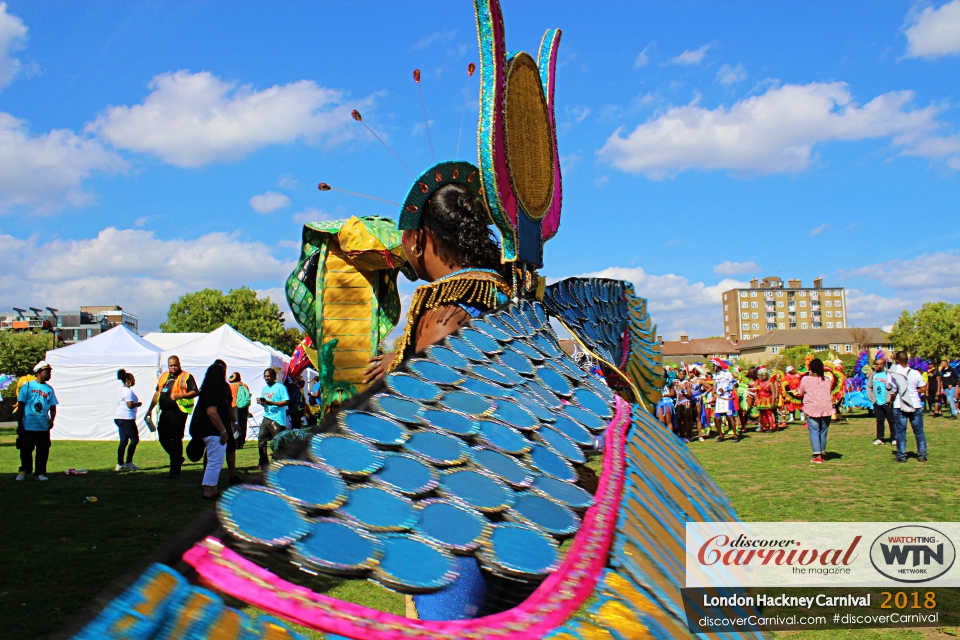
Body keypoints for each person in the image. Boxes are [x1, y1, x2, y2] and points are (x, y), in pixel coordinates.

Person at [363, 177, 511, 381]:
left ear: (418, 238)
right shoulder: (496, 291)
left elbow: (428, 405)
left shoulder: (444, 317)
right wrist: (403, 360)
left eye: (404, 235)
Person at [146, 356, 199, 479]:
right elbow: (157, 394)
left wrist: (181, 395)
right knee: (162, 437)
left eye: (175, 365)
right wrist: (150, 409)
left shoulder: (186, 377)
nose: (173, 368)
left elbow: (195, 392)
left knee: (176, 439)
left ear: (179, 364)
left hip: (179, 411)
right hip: (165, 412)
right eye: (171, 366)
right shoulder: (164, 376)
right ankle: (177, 458)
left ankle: (174, 470)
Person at [189, 361, 233, 499]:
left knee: (213, 461)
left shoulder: (207, 390)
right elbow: (212, 412)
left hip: (208, 431)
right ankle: (208, 491)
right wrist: (223, 431)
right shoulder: (214, 391)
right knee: (215, 462)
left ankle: (212, 490)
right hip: (213, 432)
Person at [16, 361, 58, 481]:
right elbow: (21, 406)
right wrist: (20, 424)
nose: (49, 374)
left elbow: (53, 406)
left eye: (49, 372)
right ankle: (24, 470)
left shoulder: (49, 389)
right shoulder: (27, 387)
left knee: (43, 450)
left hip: (42, 426)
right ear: (39, 373)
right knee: (25, 449)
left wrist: (52, 419)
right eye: (47, 372)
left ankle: (40, 473)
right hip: (28, 425)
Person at [888, 351, 928, 463]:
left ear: (896, 361)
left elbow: (891, 389)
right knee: (919, 432)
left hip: (899, 404)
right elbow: (924, 389)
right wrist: (914, 391)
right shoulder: (915, 373)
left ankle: (901, 456)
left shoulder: (893, 374)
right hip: (915, 404)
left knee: (901, 432)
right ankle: (922, 455)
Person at [794, 357, 834, 464]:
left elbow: (800, 392)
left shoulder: (806, 379)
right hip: (826, 408)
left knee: (814, 431)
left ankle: (818, 455)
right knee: (823, 431)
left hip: (812, 408)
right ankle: (821, 450)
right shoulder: (827, 380)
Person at [257, 368, 289, 470]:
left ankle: (282, 463)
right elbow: (265, 403)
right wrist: (262, 402)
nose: (266, 378)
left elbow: (286, 402)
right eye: (265, 376)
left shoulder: (280, 387)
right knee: (261, 440)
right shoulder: (264, 389)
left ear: (274, 377)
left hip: (277, 419)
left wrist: (271, 403)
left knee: (278, 442)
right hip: (267, 417)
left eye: (268, 376)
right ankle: (263, 463)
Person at [114, 369, 142, 471]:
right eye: (132, 379)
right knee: (134, 440)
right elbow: (130, 405)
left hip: (119, 418)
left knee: (124, 441)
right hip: (127, 418)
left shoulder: (122, 390)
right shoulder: (128, 391)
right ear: (127, 380)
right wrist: (138, 404)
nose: (134, 381)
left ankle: (120, 464)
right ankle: (128, 462)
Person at [866, 356, 895, 445]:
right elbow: (869, 386)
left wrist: (891, 398)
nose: (875, 366)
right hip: (877, 402)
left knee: (892, 420)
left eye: (877, 364)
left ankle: (894, 438)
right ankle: (880, 438)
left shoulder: (888, 374)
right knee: (879, 420)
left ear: (883, 364)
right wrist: (872, 398)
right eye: (875, 364)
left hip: (887, 402)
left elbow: (894, 386)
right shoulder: (873, 375)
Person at [710, 358, 739, 442]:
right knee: (717, 418)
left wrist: (725, 389)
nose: (713, 367)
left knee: (730, 417)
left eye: (714, 366)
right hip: (719, 399)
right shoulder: (715, 375)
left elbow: (735, 384)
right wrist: (715, 391)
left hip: (727, 397)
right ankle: (721, 435)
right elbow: (716, 386)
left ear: (718, 366)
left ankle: (735, 435)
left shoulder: (727, 374)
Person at [229, 373, 251, 449]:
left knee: (234, 425)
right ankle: (241, 442)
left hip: (234, 406)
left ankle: (236, 442)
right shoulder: (245, 385)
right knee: (243, 424)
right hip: (244, 407)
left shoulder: (231, 386)